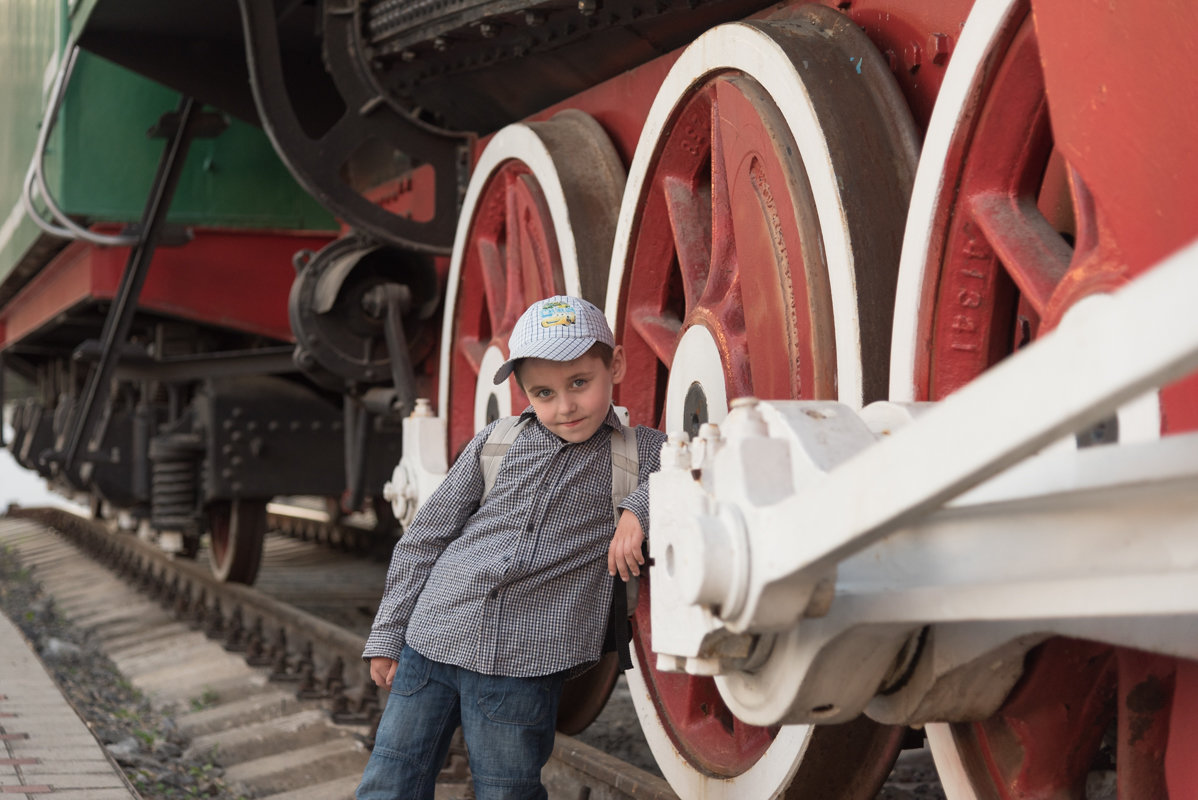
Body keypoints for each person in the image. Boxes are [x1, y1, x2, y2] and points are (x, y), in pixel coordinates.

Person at [356, 295, 667, 800]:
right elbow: (424, 539)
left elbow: (696, 467)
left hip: (525, 662)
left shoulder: (641, 451)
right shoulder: (494, 443)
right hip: (433, 636)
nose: (564, 406)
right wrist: (388, 635)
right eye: (543, 393)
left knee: (507, 791)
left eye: (580, 384)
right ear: (523, 391)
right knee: (390, 780)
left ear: (617, 365)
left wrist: (638, 511)